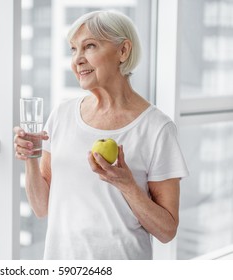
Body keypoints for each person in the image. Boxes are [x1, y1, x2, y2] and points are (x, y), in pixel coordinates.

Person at [13, 10, 189, 260]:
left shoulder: (157, 128)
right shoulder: (61, 115)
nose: (77, 60)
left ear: (123, 51)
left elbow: (167, 230)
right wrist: (31, 158)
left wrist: (127, 185)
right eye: (73, 49)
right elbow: (41, 207)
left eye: (90, 46)